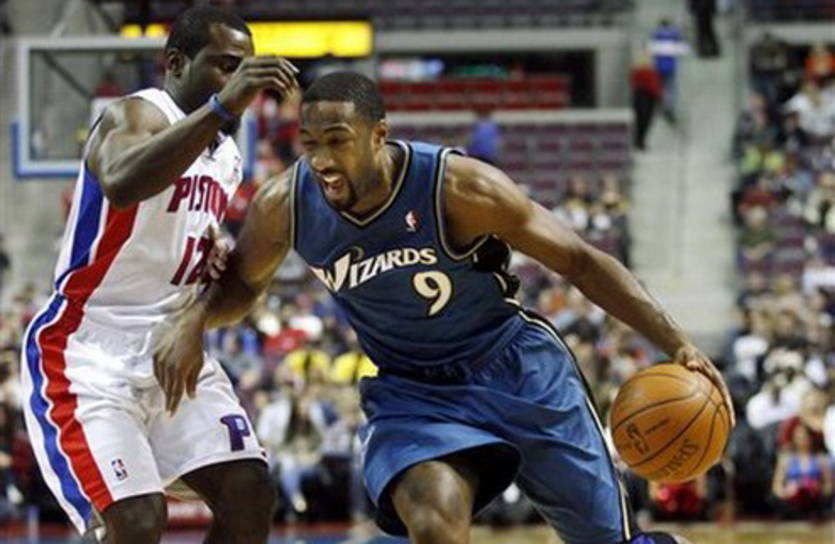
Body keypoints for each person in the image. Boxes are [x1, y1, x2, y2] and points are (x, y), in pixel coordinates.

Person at [156, 71, 734, 544]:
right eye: (310, 143)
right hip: (414, 393)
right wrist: (194, 319)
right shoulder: (286, 203)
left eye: (337, 140)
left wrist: (677, 343)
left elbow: (581, 262)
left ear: (379, 135)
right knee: (434, 520)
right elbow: (242, 284)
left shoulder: (459, 187)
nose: (322, 159)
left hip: (517, 369)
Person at [19, 6, 297, 543]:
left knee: (249, 492)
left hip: (170, 343)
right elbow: (123, 182)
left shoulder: (226, 156)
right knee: (138, 520)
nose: (238, 80)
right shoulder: (136, 114)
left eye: (244, 69)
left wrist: (205, 279)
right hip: (86, 350)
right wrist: (222, 105)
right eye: (225, 65)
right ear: (176, 63)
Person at [648, 19, 688, 123]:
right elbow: (683, 50)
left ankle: (659, 106)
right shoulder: (675, 35)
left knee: (659, 88)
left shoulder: (655, 34)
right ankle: (669, 108)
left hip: (658, 67)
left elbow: (650, 50)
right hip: (670, 67)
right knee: (670, 88)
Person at [630, 53, 662, 150]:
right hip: (648, 98)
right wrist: (658, 97)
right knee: (646, 121)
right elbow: (654, 86)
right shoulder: (650, 72)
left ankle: (638, 140)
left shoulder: (635, 72)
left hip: (638, 97)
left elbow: (633, 84)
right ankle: (641, 141)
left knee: (639, 121)